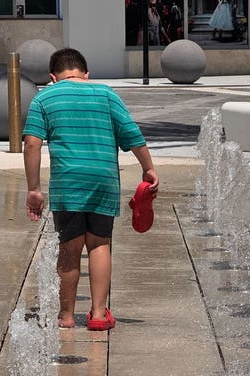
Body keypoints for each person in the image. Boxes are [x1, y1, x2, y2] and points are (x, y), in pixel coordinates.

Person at [23, 48, 159, 331]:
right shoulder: (107, 94)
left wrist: (34, 189)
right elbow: (133, 134)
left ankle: (66, 315)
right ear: (86, 74)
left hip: (67, 184)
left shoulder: (45, 97)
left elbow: (32, 143)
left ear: (52, 77)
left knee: (69, 248)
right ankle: (98, 314)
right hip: (103, 181)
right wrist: (148, 168)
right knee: (99, 244)